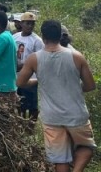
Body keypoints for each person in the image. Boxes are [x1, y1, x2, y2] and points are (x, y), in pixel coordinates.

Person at [16, 20, 96, 172]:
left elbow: (20, 82)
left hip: (51, 117)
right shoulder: (76, 56)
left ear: (43, 36)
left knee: (60, 159)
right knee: (86, 147)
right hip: (76, 114)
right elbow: (90, 86)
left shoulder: (34, 58)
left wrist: (39, 81)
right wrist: (74, 86)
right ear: (60, 35)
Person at [12, 11, 44, 121]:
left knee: (32, 106)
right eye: (27, 23)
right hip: (16, 76)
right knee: (18, 104)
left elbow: (39, 60)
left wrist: (24, 66)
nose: (30, 26)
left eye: (32, 24)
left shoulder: (37, 40)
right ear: (21, 24)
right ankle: (20, 124)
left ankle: (30, 128)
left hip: (31, 78)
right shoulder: (15, 37)